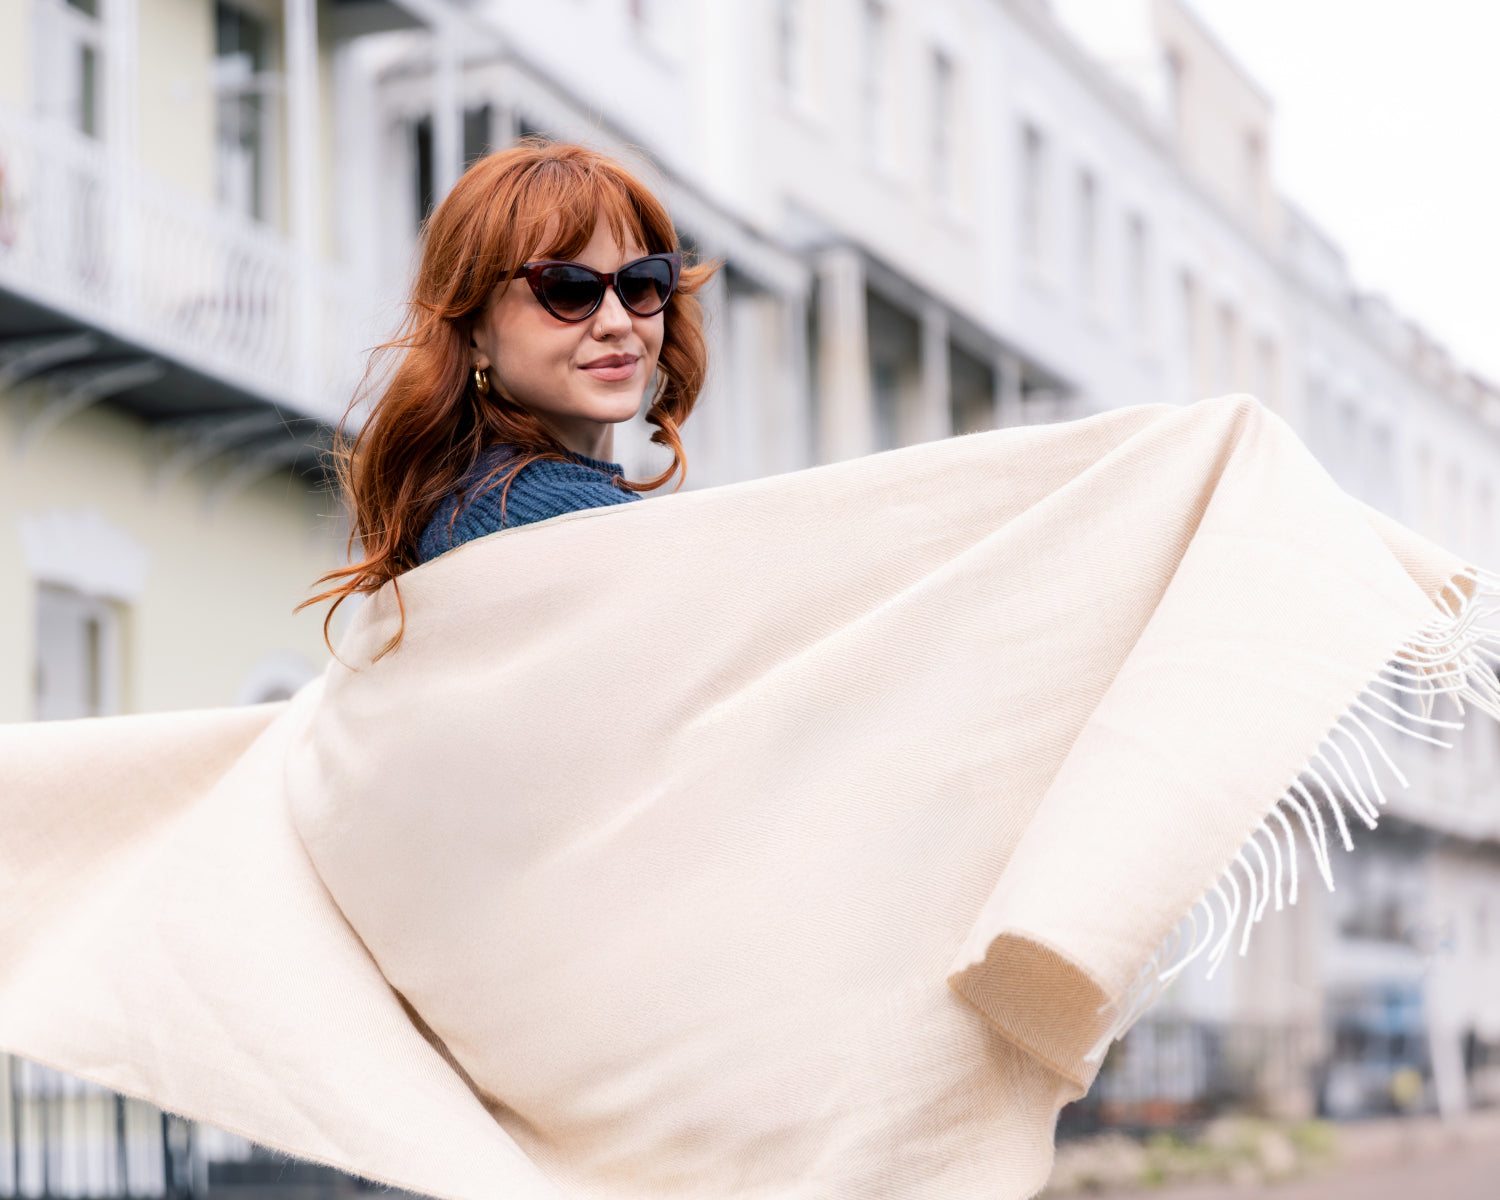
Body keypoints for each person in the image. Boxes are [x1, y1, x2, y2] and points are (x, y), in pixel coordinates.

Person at [301, 139, 721, 655]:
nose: (616, 322)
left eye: (641, 283)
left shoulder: (464, 503)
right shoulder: (559, 517)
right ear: (474, 332)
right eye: (568, 287)